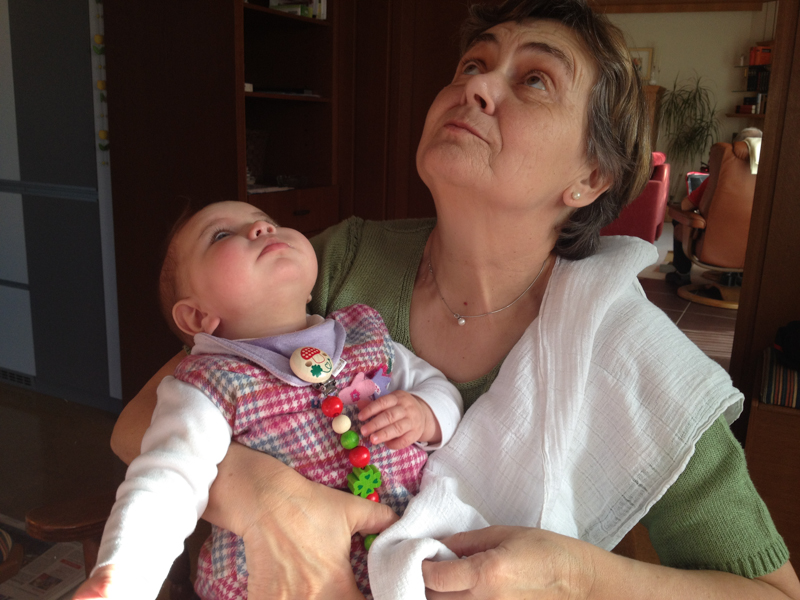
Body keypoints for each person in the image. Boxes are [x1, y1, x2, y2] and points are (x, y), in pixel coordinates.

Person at [110, 1, 800, 598]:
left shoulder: (628, 354)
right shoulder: (340, 260)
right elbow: (143, 420)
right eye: (473, 64)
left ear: (591, 176)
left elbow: (771, 592)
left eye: (534, 79)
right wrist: (263, 497)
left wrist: (579, 580)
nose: (476, 87)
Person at [74, 201, 462, 599]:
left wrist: (424, 413)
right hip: (276, 581)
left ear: (311, 287)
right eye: (221, 235)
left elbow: (442, 390)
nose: (261, 228)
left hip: (409, 563)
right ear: (197, 317)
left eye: (268, 222)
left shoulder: (365, 335)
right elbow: (166, 480)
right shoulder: (209, 384)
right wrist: (123, 576)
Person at [666, 127, 763, 287]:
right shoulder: (771, 179)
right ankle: (735, 275)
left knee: (680, 219)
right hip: (753, 251)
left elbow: (685, 205)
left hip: (711, 247)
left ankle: (682, 274)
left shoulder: (719, 177)